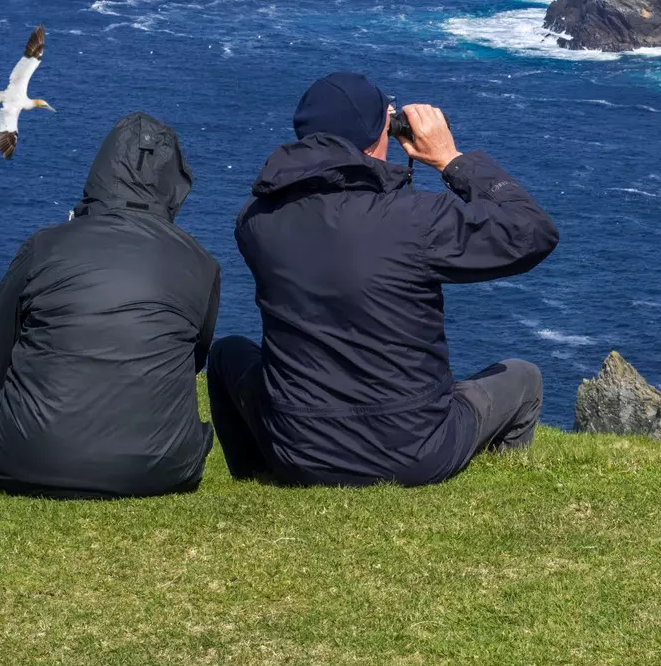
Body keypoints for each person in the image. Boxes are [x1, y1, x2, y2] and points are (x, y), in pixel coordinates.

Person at [209, 72, 559, 487]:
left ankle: (255, 478)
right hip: (414, 451)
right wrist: (451, 159)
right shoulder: (415, 219)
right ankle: (500, 486)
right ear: (376, 137)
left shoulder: (254, 220)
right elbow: (532, 232)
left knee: (227, 352)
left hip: (297, 449)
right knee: (523, 376)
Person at [0, 112, 220, 499]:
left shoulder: (45, 245)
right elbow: (192, 362)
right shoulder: (202, 264)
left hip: (24, 457)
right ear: (174, 185)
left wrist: (31, 401)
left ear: (100, 172)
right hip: (161, 468)